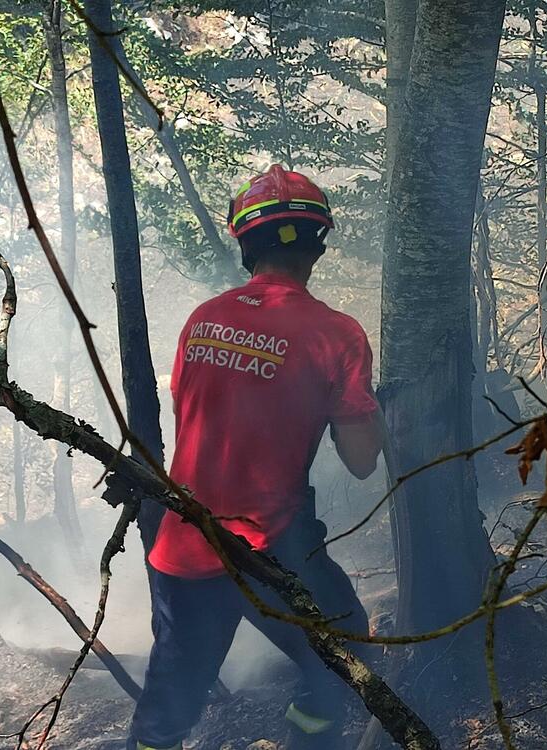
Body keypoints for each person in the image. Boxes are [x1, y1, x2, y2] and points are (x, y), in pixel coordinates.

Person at [128, 164, 384, 750]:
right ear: (316, 247)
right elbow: (362, 460)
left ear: (246, 244)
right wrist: (369, 407)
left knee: (167, 711)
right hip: (276, 551)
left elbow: (200, 422)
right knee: (344, 654)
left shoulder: (202, 319)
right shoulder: (336, 334)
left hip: (183, 549)